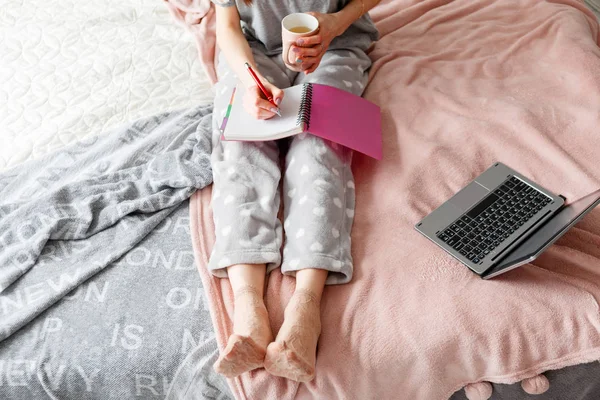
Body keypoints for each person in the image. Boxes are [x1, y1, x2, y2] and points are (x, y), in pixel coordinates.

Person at [208, 0, 380, 383]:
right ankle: (248, 309)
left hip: (335, 47)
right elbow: (228, 25)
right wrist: (251, 79)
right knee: (240, 154)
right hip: (250, 55)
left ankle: (306, 307)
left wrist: (335, 23)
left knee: (320, 150)